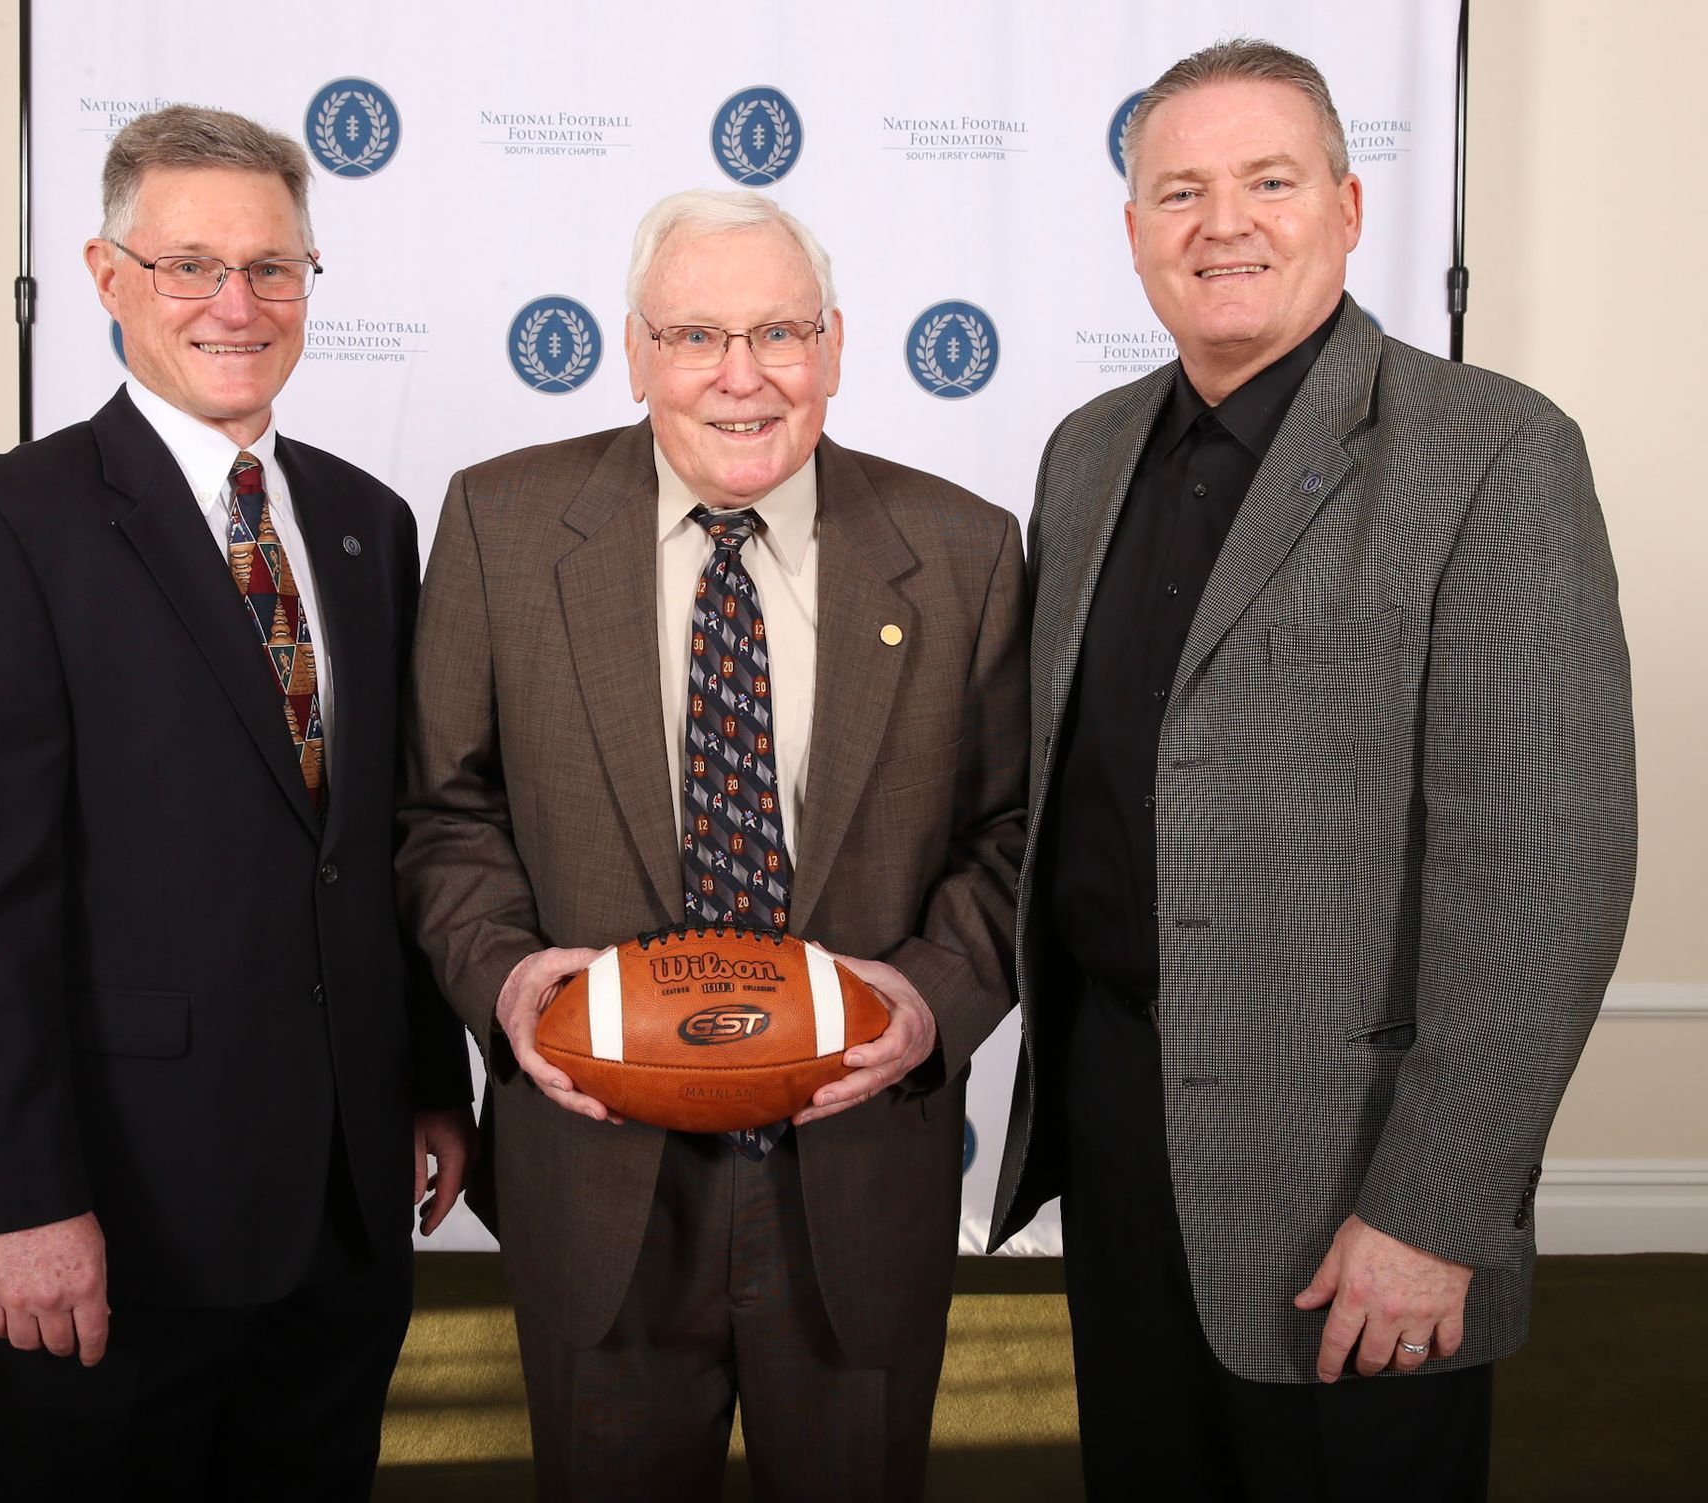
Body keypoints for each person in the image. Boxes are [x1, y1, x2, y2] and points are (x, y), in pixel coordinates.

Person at [990, 38, 1636, 1502]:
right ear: (1135, 229)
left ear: (1347, 206)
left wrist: (1437, 1206)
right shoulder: (1086, 454)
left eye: (1268, 181)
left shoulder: (1492, 454)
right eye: (1180, 191)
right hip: (1117, 1116)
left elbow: (1542, 881)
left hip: (1350, 1165)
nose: (1224, 224)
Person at [396, 188, 1025, 1500]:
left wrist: (929, 996)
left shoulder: (965, 551)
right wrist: (509, 978)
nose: (742, 377)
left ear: (837, 347)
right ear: (634, 351)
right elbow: (445, 815)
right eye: (694, 336)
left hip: (857, 1170)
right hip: (595, 1180)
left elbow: (1014, 832)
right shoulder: (501, 530)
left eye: (780, 332)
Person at [0, 105, 476, 1501]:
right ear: (105, 276)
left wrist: (425, 1089)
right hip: (120, 1207)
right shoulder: (2, 525)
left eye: (274, 267)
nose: (238, 303)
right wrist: (22, 1200)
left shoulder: (365, 521)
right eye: (190, 265)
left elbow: (377, 842)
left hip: (345, 1205)